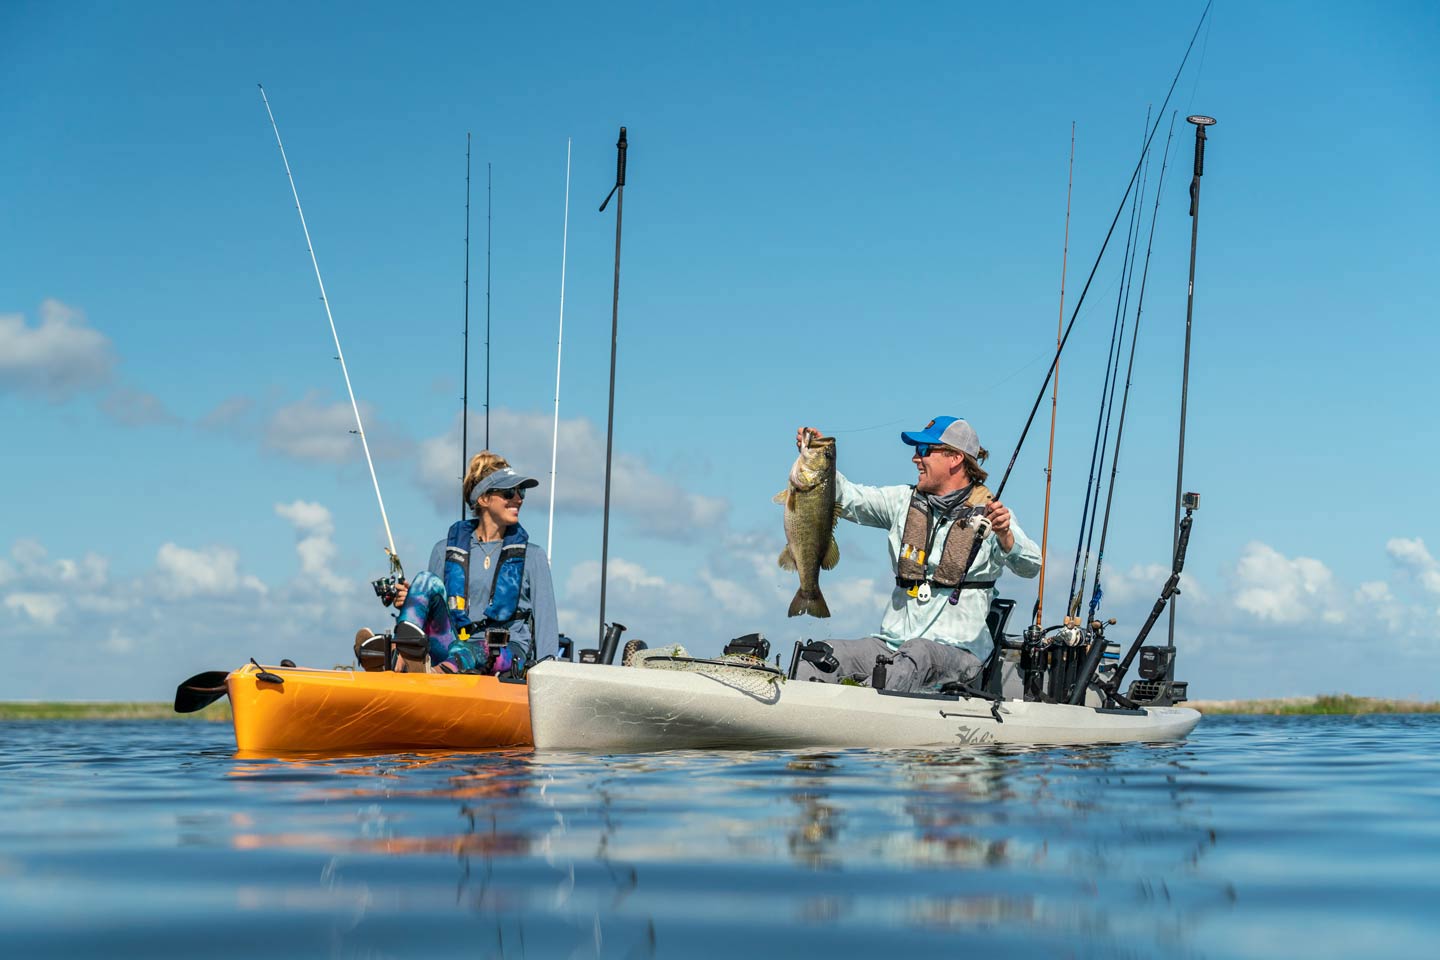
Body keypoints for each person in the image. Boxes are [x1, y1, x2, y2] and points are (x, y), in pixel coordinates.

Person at [791, 416, 1040, 693]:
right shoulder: (901, 501)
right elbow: (848, 497)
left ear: (955, 458)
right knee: (822, 654)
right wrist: (818, 457)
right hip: (892, 644)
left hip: (959, 653)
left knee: (917, 654)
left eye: (924, 450)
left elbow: (1031, 566)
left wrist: (1005, 536)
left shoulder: (992, 513)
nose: (915, 459)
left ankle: (867, 718)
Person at [358, 451, 560, 674]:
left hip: (505, 654)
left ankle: (429, 675)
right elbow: (434, 617)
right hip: (452, 645)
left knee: (481, 648)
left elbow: (546, 627)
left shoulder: (533, 557)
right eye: (509, 492)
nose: (518, 499)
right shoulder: (443, 550)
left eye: (521, 491)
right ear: (483, 499)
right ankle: (398, 656)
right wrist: (412, 601)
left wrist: (547, 679)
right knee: (424, 581)